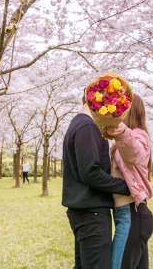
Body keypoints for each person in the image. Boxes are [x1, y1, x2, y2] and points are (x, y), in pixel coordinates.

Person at [62, 94, 130, 269]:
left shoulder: (79, 124)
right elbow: (90, 172)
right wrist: (127, 187)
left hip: (84, 211)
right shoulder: (87, 126)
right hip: (91, 213)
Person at [107, 94, 153, 269]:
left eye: (122, 109)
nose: (117, 113)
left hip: (133, 215)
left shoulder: (138, 136)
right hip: (130, 214)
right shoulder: (126, 138)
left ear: (131, 111)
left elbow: (135, 155)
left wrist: (122, 133)